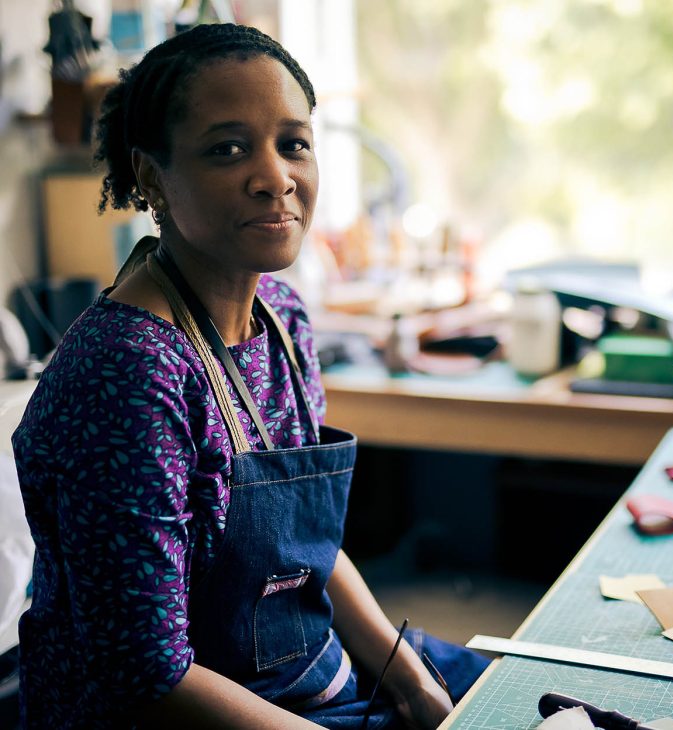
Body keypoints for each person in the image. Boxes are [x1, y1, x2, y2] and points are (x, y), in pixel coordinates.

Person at [13, 23, 487, 729]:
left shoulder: (282, 317)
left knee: (525, 695)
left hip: (305, 676)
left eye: (293, 144)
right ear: (151, 177)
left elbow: (305, 548)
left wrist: (408, 677)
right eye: (227, 149)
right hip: (184, 715)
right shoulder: (130, 371)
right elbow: (150, 675)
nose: (276, 178)